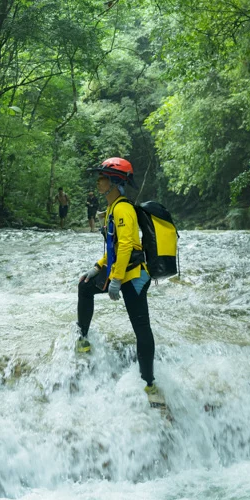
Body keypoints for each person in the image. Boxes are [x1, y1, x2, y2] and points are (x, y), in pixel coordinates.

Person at [76, 157, 163, 406]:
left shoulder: (123, 208)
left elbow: (126, 245)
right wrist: (97, 268)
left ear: (115, 182)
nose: (98, 181)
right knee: (84, 286)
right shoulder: (114, 207)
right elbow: (114, 247)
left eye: (102, 178)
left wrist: (114, 279)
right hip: (120, 271)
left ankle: (149, 383)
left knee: (141, 329)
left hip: (134, 276)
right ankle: (82, 341)